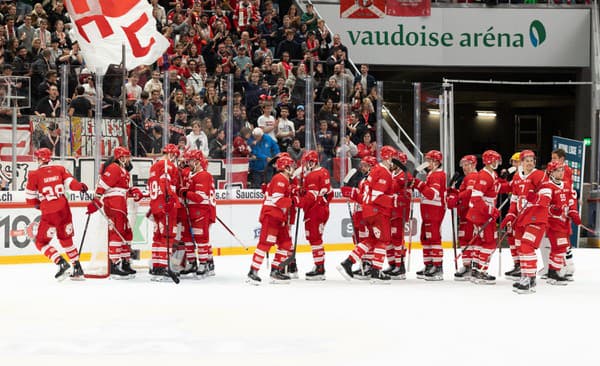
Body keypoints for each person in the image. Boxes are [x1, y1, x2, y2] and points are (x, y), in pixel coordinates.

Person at [337, 146, 398, 284]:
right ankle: (376, 271)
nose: (395, 161)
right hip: (378, 211)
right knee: (383, 240)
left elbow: (369, 195)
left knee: (371, 240)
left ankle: (348, 262)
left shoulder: (375, 171)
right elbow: (377, 196)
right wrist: (394, 200)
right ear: (388, 157)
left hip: (368, 211)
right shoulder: (383, 172)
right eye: (393, 157)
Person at [25, 148, 88, 280]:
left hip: (49, 212)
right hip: (64, 209)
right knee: (66, 239)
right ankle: (77, 268)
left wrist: (39, 204)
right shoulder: (60, 169)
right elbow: (73, 184)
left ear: (40, 159)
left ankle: (61, 262)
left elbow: (30, 199)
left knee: (41, 242)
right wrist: (81, 186)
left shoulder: (33, 174)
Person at [87, 147, 142, 279]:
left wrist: (133, 192)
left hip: (121, 204)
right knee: (117, 233)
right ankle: (114, 264)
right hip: (113, 204)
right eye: (127, 156)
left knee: (126, 233)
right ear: (121, 157)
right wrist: (96, 199)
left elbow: (123, 188)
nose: (129, 159)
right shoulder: (113, 168)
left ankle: (124, 261)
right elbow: (102, 185)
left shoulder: (124, 171)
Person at [500, 150, 548, 294]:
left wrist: (537, 198)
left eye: (531, 160)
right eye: (526, 160)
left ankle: (530, 277)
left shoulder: (540, 175)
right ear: (521, 162)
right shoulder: (517, 177)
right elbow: (514, 200)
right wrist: (510, 215)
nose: (529, 163)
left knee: (527, 246)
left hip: (536, 218)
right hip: (522, 219)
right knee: (521, 248)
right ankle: (526, 276)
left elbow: (547, 196)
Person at [247, 155, 296, 284]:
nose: (292, 169)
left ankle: (276, 270)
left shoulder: (285, 179)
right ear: (285, 167)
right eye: (290, 166)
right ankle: (253, 271)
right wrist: (293, 201)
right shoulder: (280, 178)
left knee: (286, 244)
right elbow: (277, 200)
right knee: (265, 244)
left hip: (280, 217)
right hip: (272, 216)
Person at [465, 150, 507, 284]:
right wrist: (490, 210)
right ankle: (482, 271)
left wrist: (513, 185)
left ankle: (476, 270)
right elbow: (475, 198)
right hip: (482, 215)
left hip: (482, 214)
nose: (497, 163)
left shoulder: (492, 174)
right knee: (489, 242)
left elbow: (497, 188)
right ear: (489, 161)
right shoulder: (484, 176)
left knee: (480, 242)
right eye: (495, 161)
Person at [294, 150, 333, 280]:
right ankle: (319, 265)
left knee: (315, 238)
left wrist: (299, 201)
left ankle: (320, 267)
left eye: (309, 161)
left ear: (315, 161)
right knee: (316, 238)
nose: (307, 164)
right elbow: (329, 194)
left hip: (315, 211)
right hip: (322, 209)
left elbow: (311, 196)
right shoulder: (324, 172)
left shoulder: (312, 176)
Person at [542, 160, 581, 285]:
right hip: (553, 223)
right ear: (551, 172)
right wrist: (552, 208)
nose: (561, 173)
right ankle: (554, 273)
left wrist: (573, 212)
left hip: (564, 222)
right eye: (558, 170)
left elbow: (570, 202)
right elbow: (543, 204)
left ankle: (554, 271)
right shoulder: (547, 186)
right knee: (559, 247)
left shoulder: (565, 185)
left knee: (562, 247)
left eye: (562, 170)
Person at [147, 144, 181, 281]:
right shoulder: (168, 165)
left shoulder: (154, 166)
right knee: (166, 236)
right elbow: (165, 183)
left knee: (158, 236)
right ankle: (162, 267)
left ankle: (156, 266)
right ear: (172, 154)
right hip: (166, 205)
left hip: (155, 204)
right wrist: (171, 200)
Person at [412, 150, 447, 281]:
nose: (427, 163)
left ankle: (438, 267)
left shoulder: (438, 175)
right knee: (425, 238)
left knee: (434, 237)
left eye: (429, 160)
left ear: (436, 162)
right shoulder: (431, 174)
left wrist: (418, 184)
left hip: (435, 211)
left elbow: (432, 194)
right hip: (428, 211)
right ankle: (429, 264)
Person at [183, 150, 217, 277]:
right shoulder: (195, 174)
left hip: (202, 210)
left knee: (201, 238)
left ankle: (203, 263)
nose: (188, 163)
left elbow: (200, 197)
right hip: (197, 210)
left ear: (197, 162)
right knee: (197, 238)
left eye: (190, 161)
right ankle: (208, 263)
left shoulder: (203, 175)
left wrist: (185, 193)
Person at [449, 155, 479, 281]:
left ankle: (473, 267)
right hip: (465, 215)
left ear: (474, 164)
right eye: (464, 165)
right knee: (465, 240)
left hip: (471, 215)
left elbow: (469, 193)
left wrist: (456, 197)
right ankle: (468, 266)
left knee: (471, 240)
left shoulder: (473, 176)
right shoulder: (466, 178)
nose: (465, 168)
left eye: (467, 165)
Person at [384, 151, 413, 280]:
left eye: (395, 161)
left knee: (397, 239)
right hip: (391, 211)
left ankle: (400, 266)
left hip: (400, 212)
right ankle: (392, 264)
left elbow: (398, 189)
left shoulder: (405, 175)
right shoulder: (393, 174)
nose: (392, 163)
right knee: (389, 239)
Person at [503, 152, 522, 279]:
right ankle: (517, 264)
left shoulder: (522, 176)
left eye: (516, 162)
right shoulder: (515, 175)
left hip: (520, 212)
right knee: (511, 238)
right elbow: (509, 188)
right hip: (512, 210)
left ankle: (522, 265)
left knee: (518, 239)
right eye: (513, 162)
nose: (514, 164)